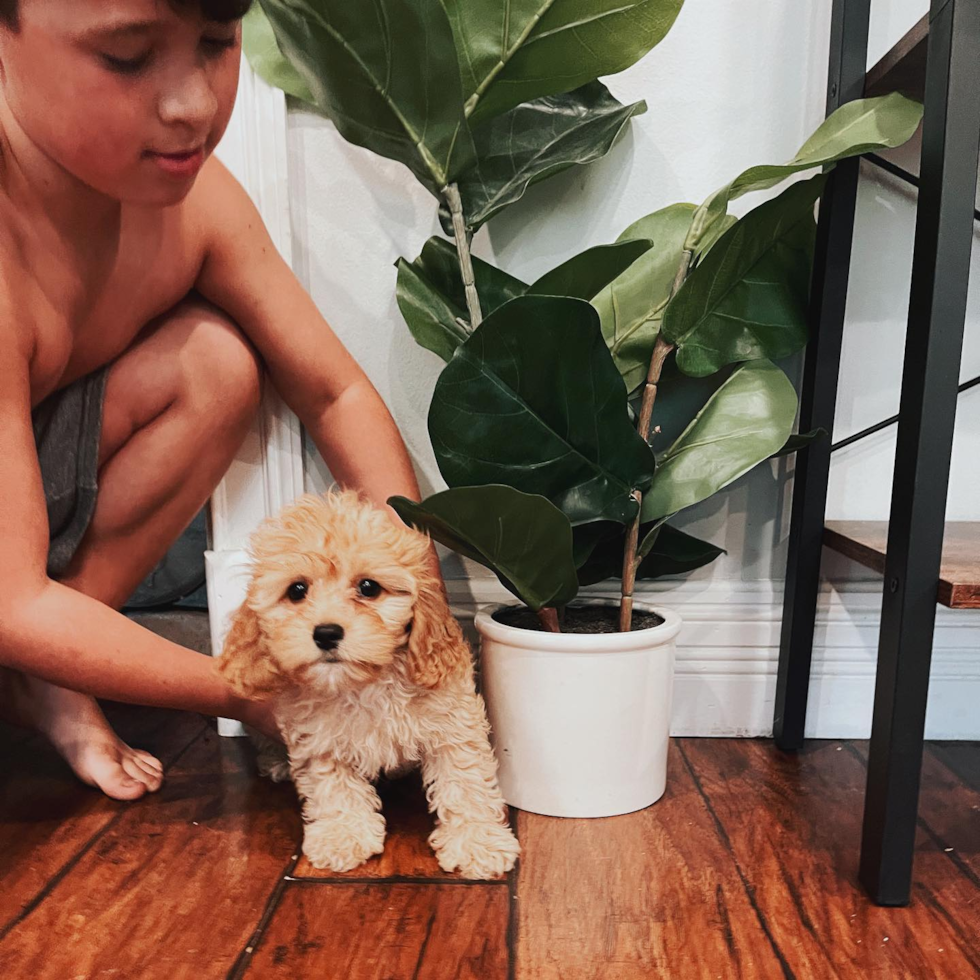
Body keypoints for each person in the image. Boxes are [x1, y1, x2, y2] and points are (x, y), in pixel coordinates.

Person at [0, 0, 435, 800]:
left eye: (217, 41)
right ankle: (47, 671)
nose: (193, 103)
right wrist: (254, 693)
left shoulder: (195, 204)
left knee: (216, 363)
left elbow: (335, 391)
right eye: (128, 57)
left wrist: (414, 592)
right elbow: (12, 599)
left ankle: (45, 680)